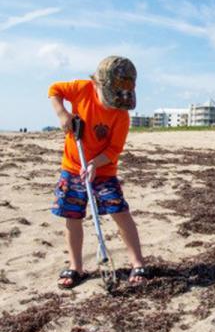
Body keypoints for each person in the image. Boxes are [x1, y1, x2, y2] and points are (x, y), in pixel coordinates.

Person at [49, 56, 148, 288]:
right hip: (73, 167)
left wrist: (94, 164)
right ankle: (76, 266)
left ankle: (138, 262)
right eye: (111, 98)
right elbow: (54, 90)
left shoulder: (121, 115)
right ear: (97, 83)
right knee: (72, 216)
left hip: (104, 170)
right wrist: (63, 114)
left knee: (119, 211)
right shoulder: (81, 89)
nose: (114, 105)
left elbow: (114, 149)